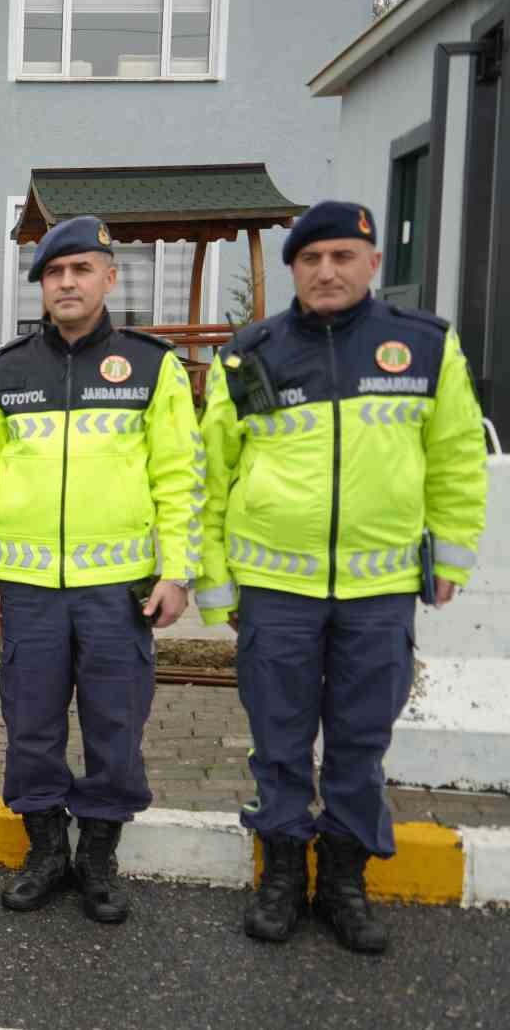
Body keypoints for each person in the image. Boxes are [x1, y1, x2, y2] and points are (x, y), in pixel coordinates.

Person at [195, 200, 487, 953]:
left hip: (379, 592)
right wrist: (217, 581)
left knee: (361, 741)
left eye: (342, 256)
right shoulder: (250, 353)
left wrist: (451, 553)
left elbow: (455, 454)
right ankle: (284, 872)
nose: (327, 270)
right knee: (280, 741)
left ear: (372, 264)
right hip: (276, 591)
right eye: (311, 258)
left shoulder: (421, 346)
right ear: (294, 268)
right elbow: (213, 475)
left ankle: (346, 881)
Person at [0, 215, 203, 924]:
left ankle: (98, 855)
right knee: (31, 727)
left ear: (109, 277)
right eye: (52, 273)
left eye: (80, 270)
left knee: (114, 726)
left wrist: (178, 570)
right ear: (39, 286)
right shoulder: (6, 369)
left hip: (118, 592)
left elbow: (179, 474)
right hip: (28, 591)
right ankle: (44, 850)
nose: (66, 283)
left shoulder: (151, 365)